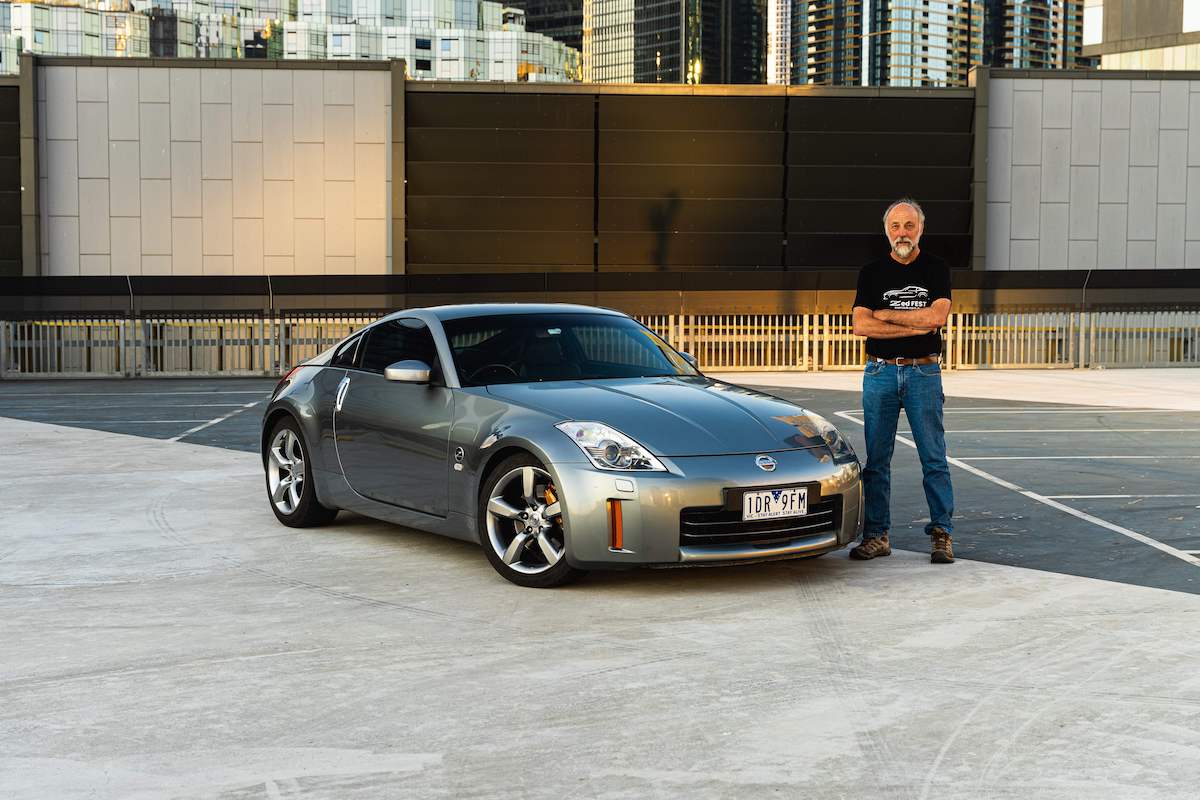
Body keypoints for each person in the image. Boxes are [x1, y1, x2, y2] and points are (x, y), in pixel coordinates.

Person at [848, 198, 955, 564]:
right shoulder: (872, 272)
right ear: (887, 231)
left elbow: (936, 318)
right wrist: (913, 320)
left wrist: (886, 315)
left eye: (909, 225)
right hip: (880, 373)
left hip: (924, 372)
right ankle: (877, 536)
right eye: (895, 226)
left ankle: (942, 534)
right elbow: (861, 325)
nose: (902, 233)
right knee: (877, 460)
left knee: (933, 457)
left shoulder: (936, 269)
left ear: (920, 229)